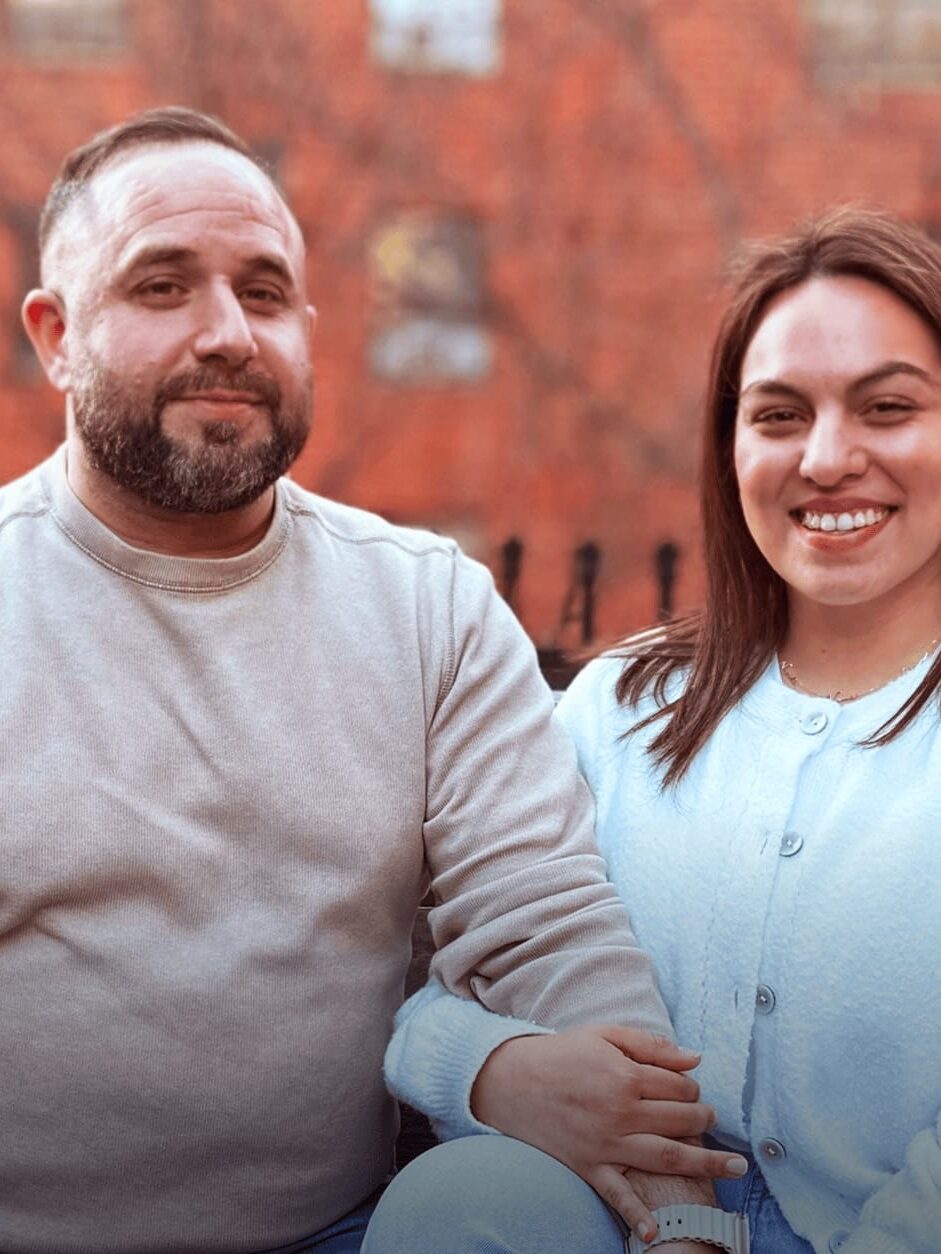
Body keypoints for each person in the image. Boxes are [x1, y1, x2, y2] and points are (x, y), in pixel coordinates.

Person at [2, 107, 744, 1253]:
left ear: (306, 326)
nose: (227, 334)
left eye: (262, 292)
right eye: (161, 287)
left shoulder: (425, 606)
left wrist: (678, 1208)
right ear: (54, 335)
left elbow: (540, 921)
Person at [369, 206, 941, 1254]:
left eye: (886, 406)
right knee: (457, 1200)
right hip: (617, 1230)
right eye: (775, 416)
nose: (824, 458)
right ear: (728, 447)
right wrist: (498, 1075)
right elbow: (429, 1011)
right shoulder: (619, 707)